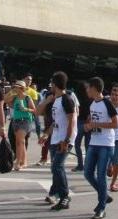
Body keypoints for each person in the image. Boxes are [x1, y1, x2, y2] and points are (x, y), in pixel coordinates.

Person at [37, 71, 77, 211]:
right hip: (55, 138)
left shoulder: (67, 99)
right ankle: (58, 194)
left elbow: (72, 121)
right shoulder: (56, 100)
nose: (50, 87)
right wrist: (46, 134)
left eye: (52, 84)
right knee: (56, 168)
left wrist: (66, 140)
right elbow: (55, 122)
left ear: (55, 84)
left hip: (64, 140)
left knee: (57, 167)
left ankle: (65, 196)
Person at [82, 77, 118, 219]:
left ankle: (101, 207)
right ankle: (104, 196)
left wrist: (96, 125)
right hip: (94, 142)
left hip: (106, 144)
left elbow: (115, 124)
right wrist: (88, 125)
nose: (87, 90)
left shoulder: (107, 103)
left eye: (88, 88)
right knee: (87, 173)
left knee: (101, 175)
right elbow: (92, 120)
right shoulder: (92, 104)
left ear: (95, 88)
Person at [8, 80, 36, 170]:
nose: (15, 88)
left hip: (25, 121)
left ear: (21, 88)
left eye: (17, 87)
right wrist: (11, 93)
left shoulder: (27, 98)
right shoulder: (15, 97)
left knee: (19, 142)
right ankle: (24, 162)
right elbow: (5, 100)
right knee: (20, 142)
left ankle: (18, 163)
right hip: (16, 121)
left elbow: (34, 110)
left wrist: (25, 109)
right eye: (15, 86)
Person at [73, 83, 92, 172]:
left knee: (77, 145)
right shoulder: (91, 99)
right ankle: (88, 165)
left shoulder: (77, 98)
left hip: (79, 122)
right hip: (89, 122)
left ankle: (80, 164)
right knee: (88, 146)